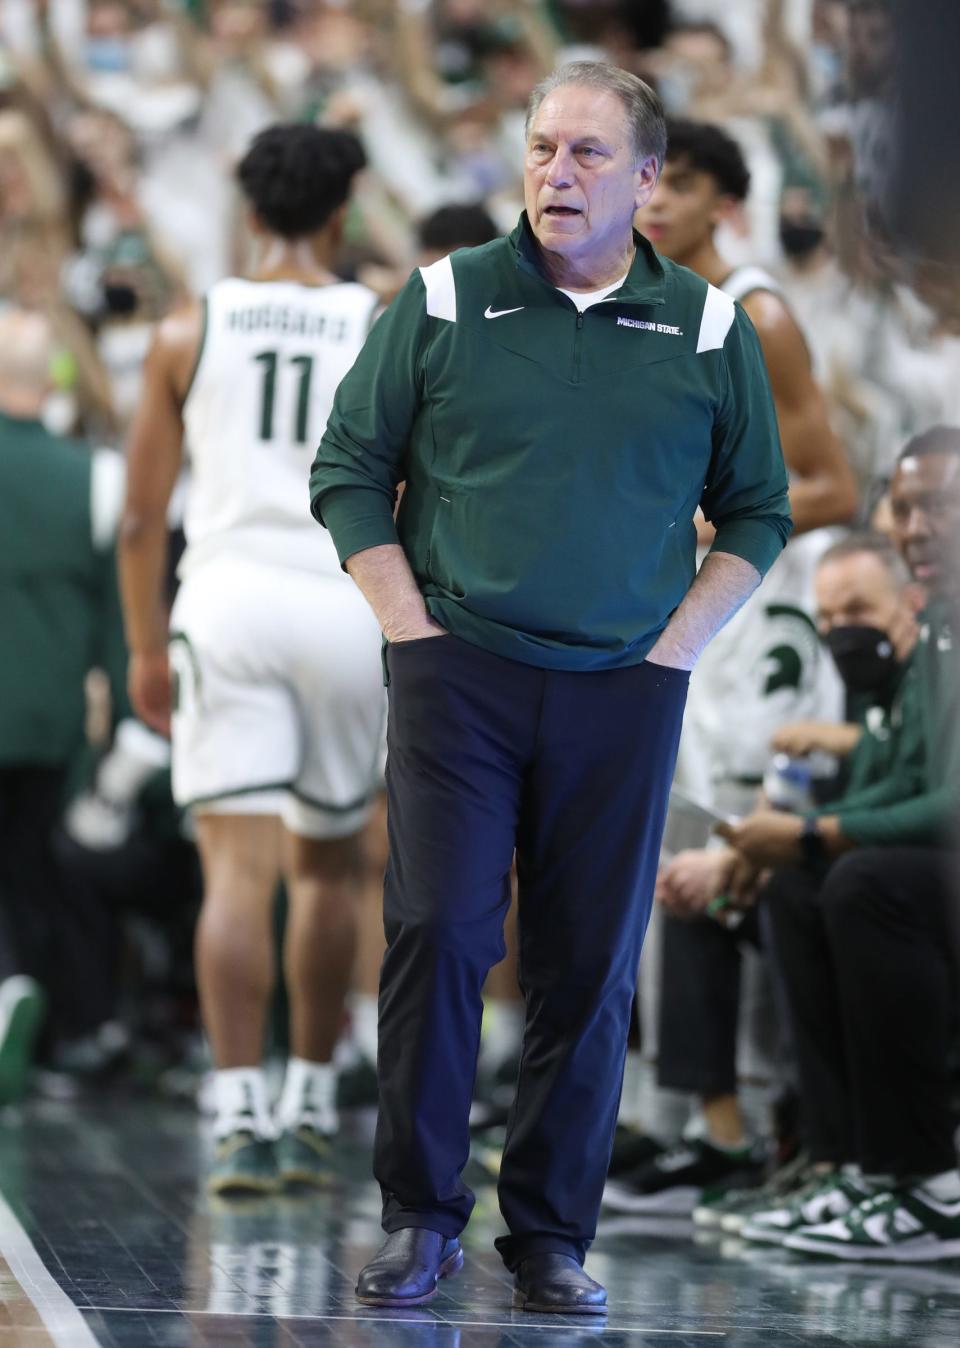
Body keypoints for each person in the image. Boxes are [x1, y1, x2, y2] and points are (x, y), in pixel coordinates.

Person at [310, 60, 791, 1315]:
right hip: (457, 670)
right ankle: (420, 1217)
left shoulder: (705, 325)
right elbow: (348, 467)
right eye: (540, 149)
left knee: (590, 964)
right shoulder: (445, 296)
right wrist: (406, 625)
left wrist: (677, 646)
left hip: (624, 688)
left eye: (587, 155)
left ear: (648, 180)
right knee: (441, 931)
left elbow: (760, 509)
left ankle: (551, 1239)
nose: (556, 174)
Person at [118, 123, 385, 1196]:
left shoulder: (190, 326)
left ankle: (237, 1111)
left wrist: (144, 642)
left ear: (248, 209)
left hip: (226, 598)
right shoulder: (379, 319)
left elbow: (143, 519)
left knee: (235, 870)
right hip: (340, 597)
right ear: (342, 215)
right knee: (329, 866)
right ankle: (312, 1096)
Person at [611, 118, 857, 1212]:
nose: (660, 201)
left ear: (728, 201)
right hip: (695, 599)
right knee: (673, 852)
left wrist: (711, 520)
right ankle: (688, 1119)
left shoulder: (758, 310)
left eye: (688, 183)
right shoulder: (649, 294)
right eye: (654, 180)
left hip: (772, 616)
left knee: (726, 846)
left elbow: (835, 483)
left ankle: (749, 1121)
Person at [715, 428, 960, 1261]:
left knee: (862, 883)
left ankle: (925, 1178)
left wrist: (821, 831)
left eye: (939, 506)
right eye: (904, 506)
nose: (917, 526)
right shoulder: (938, 627)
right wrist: (807, 842)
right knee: (802, 882)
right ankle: (848, 1161)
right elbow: (898, 772)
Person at [643, 530, 922, 1228]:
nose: (840, 631)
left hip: (905, 880)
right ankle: (731, 1142)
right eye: (827, 618)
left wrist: (800, 837)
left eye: (856, 610)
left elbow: (918, 781)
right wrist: (750, 851)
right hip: (840, 844)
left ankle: (867, 1160)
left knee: (831, 891)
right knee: (697, 889)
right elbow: (800, 775)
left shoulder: (929, 670)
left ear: (910, 599)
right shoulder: (854, 677)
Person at [0, 306, 126, 1098]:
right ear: (54, 377)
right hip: (53, 722)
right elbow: (118, 626)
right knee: (37, 870)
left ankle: (12, 992)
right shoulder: (96, 476)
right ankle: (69, 1026)